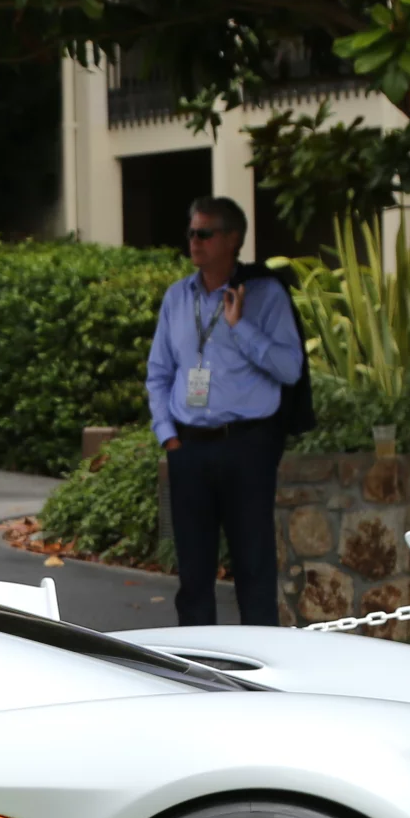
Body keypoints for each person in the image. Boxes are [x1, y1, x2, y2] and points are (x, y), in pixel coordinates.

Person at [148, 195, 302, 627]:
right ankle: (196, 670)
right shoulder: (178, 297)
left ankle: (261, 671)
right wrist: (169, 438)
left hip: (247, 446)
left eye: (204, 233)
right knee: (193, 572)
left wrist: (241, 326)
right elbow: (158, 373)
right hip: (189, 448)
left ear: (232, 239)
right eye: (191, 232)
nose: (194, 242)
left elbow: (290, 369)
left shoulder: (266, 296)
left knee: (253, 565)